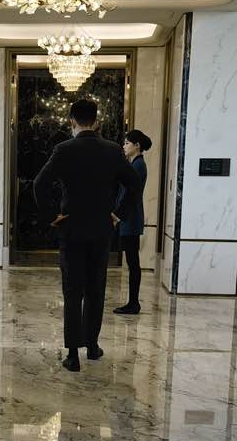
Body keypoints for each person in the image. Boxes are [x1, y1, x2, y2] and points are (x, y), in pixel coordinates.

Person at [33, 97, 143, 372]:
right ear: (96, 121)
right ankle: (92, 346)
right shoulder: (112, 150)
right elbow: (133, 184)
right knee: (96, 289)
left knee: (73, 291)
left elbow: (39, 184)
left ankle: (72, 354)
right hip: (101, 230)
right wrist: (118, 214)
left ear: (72, 120)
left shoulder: (64, 149)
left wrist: (52, 216)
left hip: (71, 229)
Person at [114, 129, 152, 315]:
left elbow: (130, 194)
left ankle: (134, 303)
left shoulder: (138, 165)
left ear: (137, 146)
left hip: (130, 218)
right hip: (129, 217)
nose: (124, 146)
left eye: (127, 143)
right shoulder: (134, 164)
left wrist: (117, 215)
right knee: (132, 261)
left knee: (133, 262)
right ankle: (132, 302)